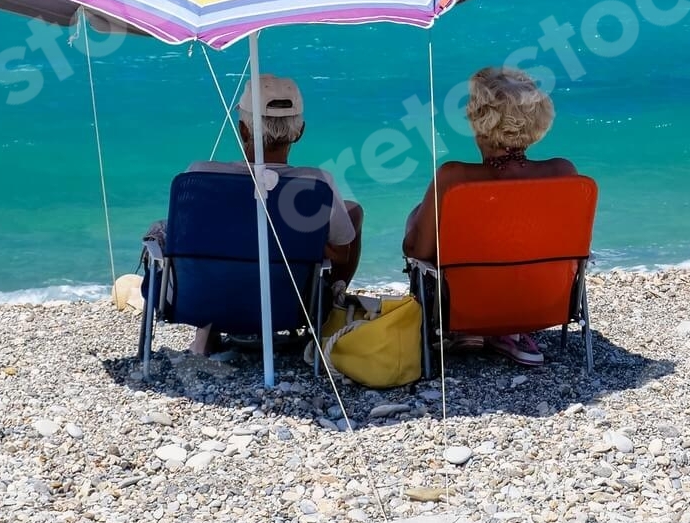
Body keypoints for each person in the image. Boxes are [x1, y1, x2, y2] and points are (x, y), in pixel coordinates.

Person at [403, 66, 577, 366]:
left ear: (478, 120)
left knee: (417, 218)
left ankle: (468, 331)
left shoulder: (453, 178)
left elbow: (418, 251)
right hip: (543, 304)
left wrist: (415, 220)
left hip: (467, 308)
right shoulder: (563, 173)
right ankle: (508, 332)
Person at [181, 75, 364, 357]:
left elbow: (187, 244)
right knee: (353, 213)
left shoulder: (198, 176)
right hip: (289, 307)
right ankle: (325, 315)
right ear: (299, 131)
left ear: (243, 129)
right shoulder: (315, 184)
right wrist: (302, 239)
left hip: (209, 301)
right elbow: (342, 254)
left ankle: (210, 330)